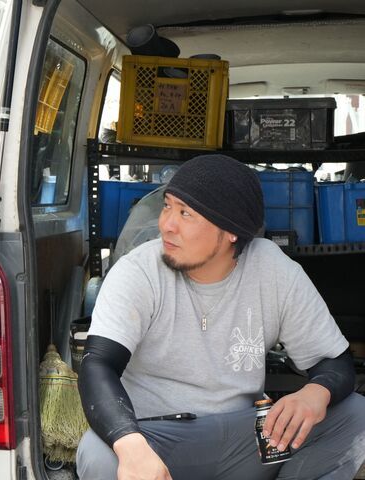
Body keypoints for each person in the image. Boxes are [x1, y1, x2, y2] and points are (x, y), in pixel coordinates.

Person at [76, 154, 365, 480]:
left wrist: (316, 392)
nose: (166, 224)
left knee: (355, 415)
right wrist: (129, 443)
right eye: (168, 206)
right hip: (154, 439)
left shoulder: (273, 269)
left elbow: (334, 363)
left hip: (246, 437)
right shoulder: (138, 271)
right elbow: (98, 364)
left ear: (231, 231)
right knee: (97, 454)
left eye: (186, 213)